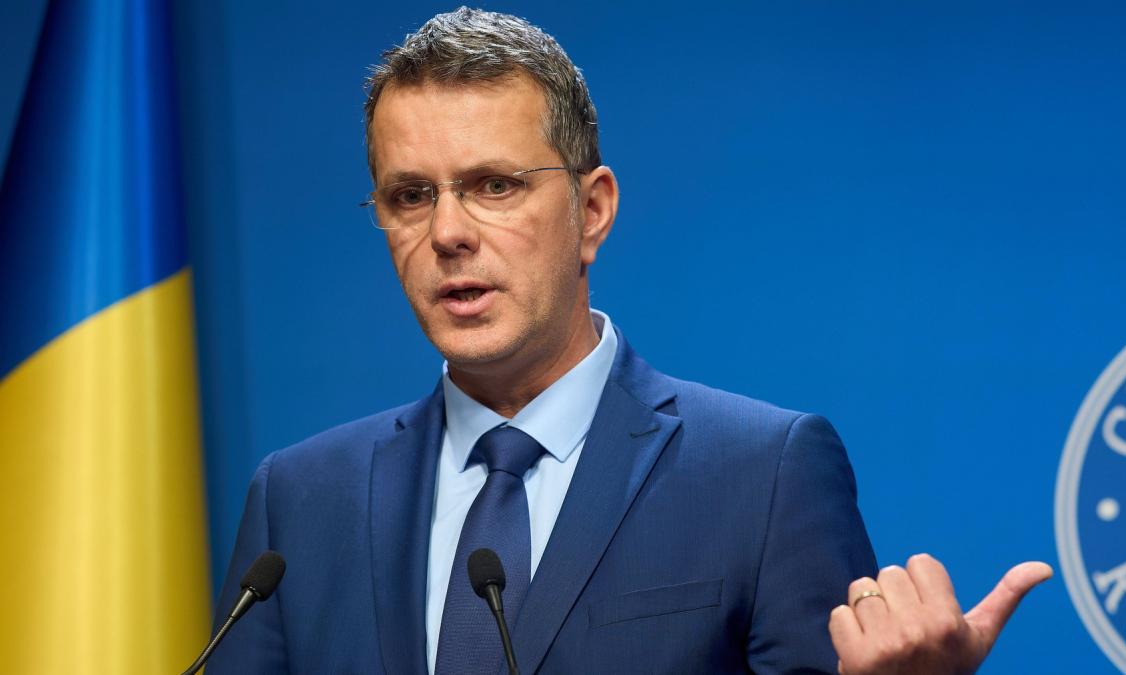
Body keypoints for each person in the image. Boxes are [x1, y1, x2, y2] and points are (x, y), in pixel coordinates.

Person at [208, 8, 1051, 674]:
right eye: (410, 196)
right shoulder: (299, 500)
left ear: (593, 211)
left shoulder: (765, 476)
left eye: (493, 185)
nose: (448, 232)